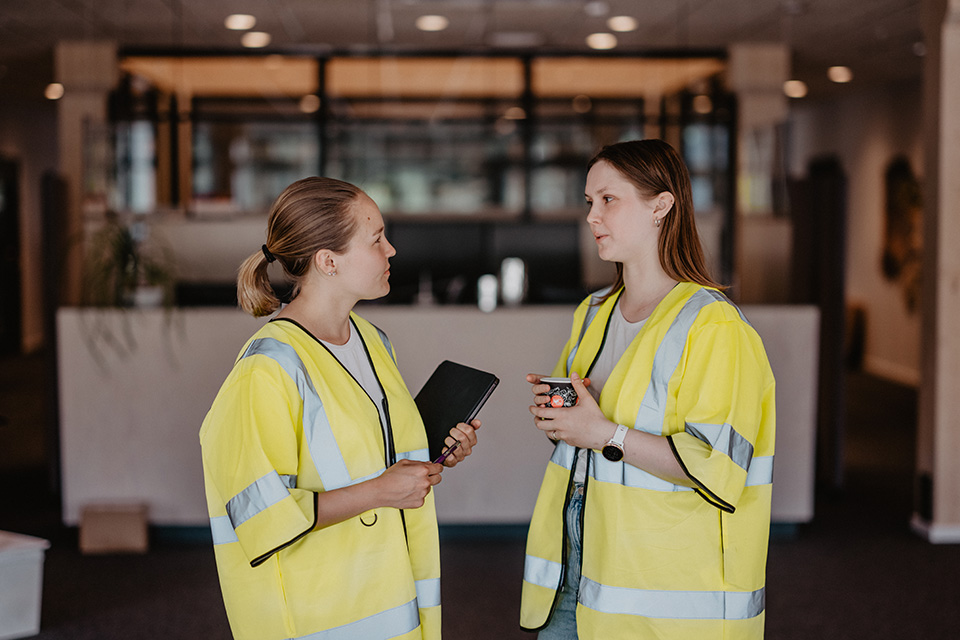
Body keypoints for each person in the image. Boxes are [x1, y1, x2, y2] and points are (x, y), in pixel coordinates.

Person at [199, 177, 479, 640]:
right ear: (327, 261)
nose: (391, 251)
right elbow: (260, 514)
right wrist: (381, 491)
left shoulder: (372, 341)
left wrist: (434, 454)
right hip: (317, 618)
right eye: (376, 240)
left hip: (389, 597)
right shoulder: (266, 369)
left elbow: (365, 457)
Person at [520, 139, 776, 639]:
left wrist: (604, 433)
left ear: (662, 206)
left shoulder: (714, 327)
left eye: (608, 200)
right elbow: (582, 434)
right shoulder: (593, 312)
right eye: (589, 202)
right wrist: (560, 418)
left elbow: (719, 469)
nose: (592, 216)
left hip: (667, 591)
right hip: (578, 566)